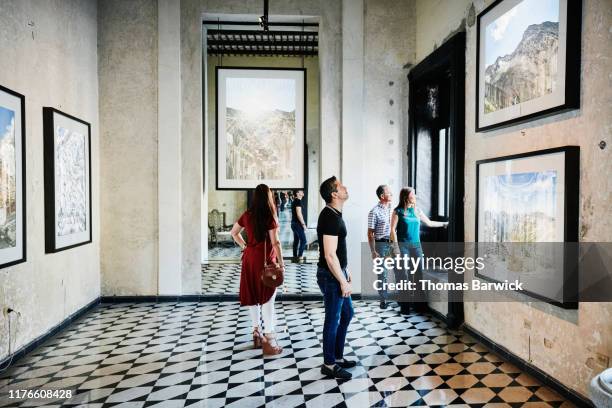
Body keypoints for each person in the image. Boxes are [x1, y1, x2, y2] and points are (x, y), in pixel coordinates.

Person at [230, 184, 285, 356]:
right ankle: (269, 340)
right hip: (266, 261)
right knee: (268, 298)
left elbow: (234, 232)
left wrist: (245, 246)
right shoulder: (270, 216)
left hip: (249, 259)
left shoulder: (248, 215)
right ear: (268, 197)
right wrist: (282, 264)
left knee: (253, 295)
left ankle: (256, 332)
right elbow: (275, 242)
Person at [317, 176, 356, 379]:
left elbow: (337, 252)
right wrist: (341, 280)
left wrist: (345, 269)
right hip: (330, 277)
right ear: (334, 194)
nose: (345, 187)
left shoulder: (334, 214)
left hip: (336, 273)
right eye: (341, 186)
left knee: (347, 314)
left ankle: (338, 358)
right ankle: (329, 364)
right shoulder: (330, 217)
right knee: (332, 319)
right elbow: (329, 255)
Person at [390, 187, 448, 311]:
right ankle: (405, 306)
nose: (415, 196)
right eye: (413, 194)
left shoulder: (417, 210)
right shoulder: (397, 211)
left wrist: (444, 224)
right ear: (406, 197)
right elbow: (392, 231)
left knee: (418, 274)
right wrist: (396, 249)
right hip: (402, 247)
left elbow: (430, 223)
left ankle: (419, 305)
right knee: (403, 275)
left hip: (416, 247)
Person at [367, 185, 394, 309]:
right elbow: (370, 233)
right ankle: (383, 299)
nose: (391, 193)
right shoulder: (374, 211)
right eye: (389, 192)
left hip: (394, 243)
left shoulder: (393, 209)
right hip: (381, 244)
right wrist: (373, 251)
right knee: (382, 272)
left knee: (399, 269)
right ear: (382, 196)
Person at [291, 190, 308, 262]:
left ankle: (295, 257)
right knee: (303, 241)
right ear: (297, 193)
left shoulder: (295, 201)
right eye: (301, 191)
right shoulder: (298, 201)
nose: (303, 192)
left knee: (296, 241)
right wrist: (303, 224)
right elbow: (299, 214)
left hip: (294, 224)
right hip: (298, 224)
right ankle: (299, 257)